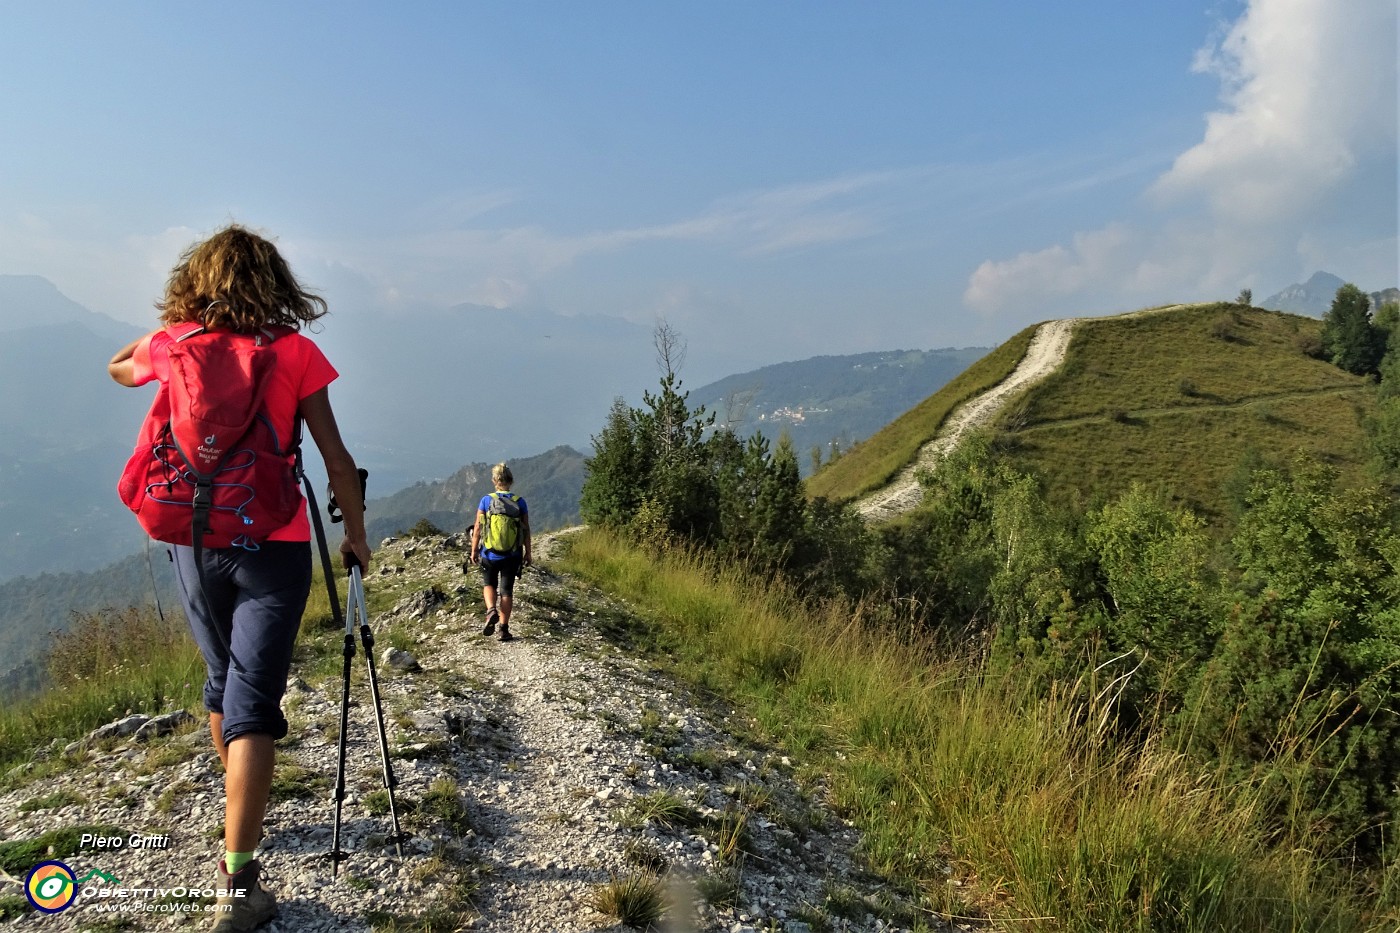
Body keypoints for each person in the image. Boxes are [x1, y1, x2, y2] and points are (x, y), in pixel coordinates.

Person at [108, 224, 370, 932]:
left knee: (224, 681)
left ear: (197, 280)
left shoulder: (173, 346)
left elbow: (117, 368)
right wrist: (356, 533)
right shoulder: (295, 352)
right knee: (254, 698)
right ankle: (238, 880)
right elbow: (335, 459)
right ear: (276, 283)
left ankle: (240, 823)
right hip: (272, 544)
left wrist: (171, 334)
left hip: (191, 538)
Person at [469, 463, 532, 641]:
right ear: (511, 481)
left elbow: (478, 528)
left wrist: (474, 550)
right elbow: (526, 529)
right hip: (512, 555)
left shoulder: (486, 500)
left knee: (488, 584)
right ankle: (503, 630)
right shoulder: (520, 502)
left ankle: (491, 610)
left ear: (495, 481)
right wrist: (528, 553)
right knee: (506, 591)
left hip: (489, 554)